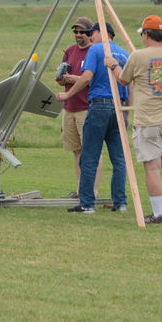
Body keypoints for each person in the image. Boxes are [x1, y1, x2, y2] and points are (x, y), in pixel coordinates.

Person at [105, 14, 162, 224]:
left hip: (149, 120)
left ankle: (158, 214)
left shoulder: (138, 56)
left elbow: (123, 80)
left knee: (152, 167)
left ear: (147, 34)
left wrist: (113, 65)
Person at [56, 22, 129, 214]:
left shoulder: (96, 50)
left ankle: (87, 203)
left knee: (89, 156)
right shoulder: (124, 53)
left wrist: (67, 94)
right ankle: (120, 202)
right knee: (119, 159)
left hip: (99, 106)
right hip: (120, 107)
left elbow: (87, 77)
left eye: (92, 33)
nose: (90, 36)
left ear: (101, 33)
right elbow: (128, 83)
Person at [56, 16, 101, 198]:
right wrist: (61, 79)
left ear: (90, 33)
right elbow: (61, 79)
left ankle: (94, 191)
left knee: (91, 150)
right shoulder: (69, 51)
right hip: (69, 107)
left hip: (87, 107)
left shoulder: (95, 52)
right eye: (75, 31)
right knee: (76, 150)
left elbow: (95, 80)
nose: (78, 35)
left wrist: (75, 79)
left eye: (82, 31)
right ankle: (81, 188)